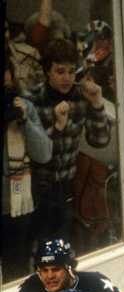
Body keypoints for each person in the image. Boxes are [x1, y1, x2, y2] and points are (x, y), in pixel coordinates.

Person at [28, 38, 111, 244]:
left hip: (66, 186)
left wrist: (97, 103)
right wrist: (56, 127)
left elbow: (99, 140)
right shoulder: (34, 100)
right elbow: (36, 153)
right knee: (37, 245)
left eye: (72, 71)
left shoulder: (80, 97)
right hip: (36, 187)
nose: (67, 77)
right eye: (60, 71)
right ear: (48, 71)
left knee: (62, 245)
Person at [2, 57, 52, 280]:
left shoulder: (24, 106)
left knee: (17, 273)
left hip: (17, 207)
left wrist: (26, 122)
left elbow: (44, 154)